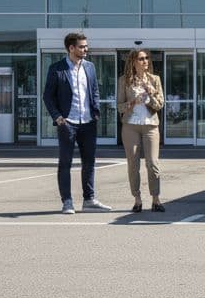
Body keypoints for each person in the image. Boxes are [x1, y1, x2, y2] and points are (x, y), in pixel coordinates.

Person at [42, 32, 111, 214]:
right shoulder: (57, 69)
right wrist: (57, 117)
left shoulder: (90, 67)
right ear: (71, 48)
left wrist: (96, 112)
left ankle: (89, 200)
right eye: (81, 46)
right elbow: (47, 96)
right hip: (68, 122)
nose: (85, 49)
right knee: (65, 163)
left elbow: (94, 90)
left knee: (89, 162)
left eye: (86, 46)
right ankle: (67, 202)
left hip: (88, 122)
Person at [117, 49, 165, 213]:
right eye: (141, 58)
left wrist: (150, 93)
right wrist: (133, 102)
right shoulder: (124, 81)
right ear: (133, 61)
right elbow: (119, 106)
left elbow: (160, 105)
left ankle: (156, 199)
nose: (145, 61)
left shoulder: (155, 79)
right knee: (133, 164)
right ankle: (137, 199)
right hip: (130, 126)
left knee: (152, 164)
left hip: (150, 125)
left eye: (147, 58)